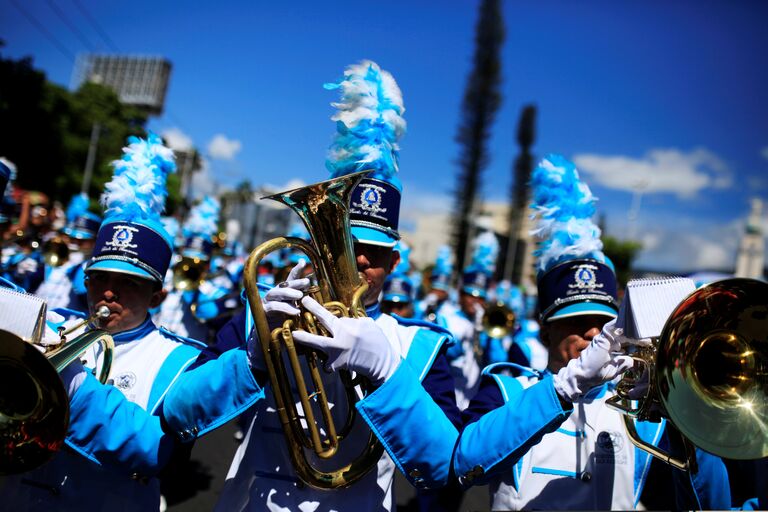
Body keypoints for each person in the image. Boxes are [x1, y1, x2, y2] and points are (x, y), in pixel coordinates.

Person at [160, 60, 462, 511]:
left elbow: (444, 468)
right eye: (346, 241)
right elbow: (178, 414)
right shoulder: (262, 316)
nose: (359, 259)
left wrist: (387, 373)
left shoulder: (420, 346)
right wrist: (253, 360)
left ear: (394, 262)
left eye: (374, 252)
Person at [452, 154, 730, 510]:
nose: (594, 332)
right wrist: (570, 385)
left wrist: (687, 419)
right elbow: (464, 464)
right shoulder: (507, 391)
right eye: (575, 321)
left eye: (603, 320)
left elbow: (710, 505)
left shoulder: (642, 415)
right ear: (544, 330)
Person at [0, 133, 204, 511]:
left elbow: (158, 453)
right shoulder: (51, 322)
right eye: (100, 278)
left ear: (157, 296)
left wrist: (71, 387)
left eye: (129, 283)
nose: (109, 292)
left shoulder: (179, 360)